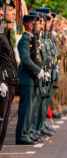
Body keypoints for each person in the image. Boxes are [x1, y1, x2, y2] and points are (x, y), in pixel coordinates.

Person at [16, 14, 43, 145]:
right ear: (27, 24)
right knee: (26, 108)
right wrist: (38, 71)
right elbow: (25, 60)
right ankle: (22, 135)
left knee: (29, 108)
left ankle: (26, 133)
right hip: (26, 78)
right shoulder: (25, 40)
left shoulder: (32, 39)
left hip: (31, 78)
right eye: (33, 23)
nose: (35, 25)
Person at [0, 1, 18, 149]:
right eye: (10, 10)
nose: (13, 13)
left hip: (10, 80)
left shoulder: (5, 32)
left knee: (4, 121)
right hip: (3, 81)